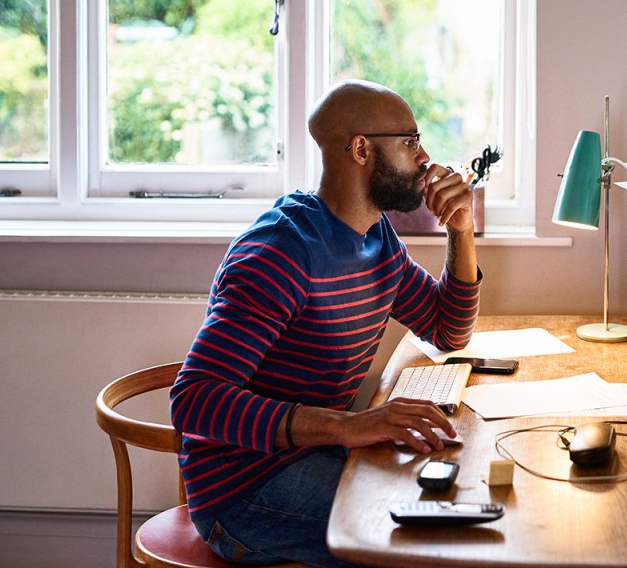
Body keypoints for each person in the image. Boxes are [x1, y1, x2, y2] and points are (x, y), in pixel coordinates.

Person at [170, 79, 482, 567]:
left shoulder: (375, 237)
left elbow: (448, 330)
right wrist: (350, 426)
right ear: (360, 149)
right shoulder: (282, 253)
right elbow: (193, 400)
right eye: (410, 141)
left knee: (458, 502)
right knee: (429, 543)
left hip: (317, 456)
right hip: (245, 490)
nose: (424, 158)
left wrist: (461, 229)